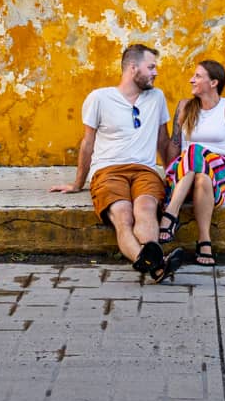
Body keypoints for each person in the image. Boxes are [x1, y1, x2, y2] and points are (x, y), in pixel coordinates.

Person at [49, 43, 186, 281]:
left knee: (145, 209)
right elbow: (87, 144)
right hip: (107, 171)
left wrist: (174, 178)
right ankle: (157, 265)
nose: (155, 72)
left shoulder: (156, 97)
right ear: (133, 68)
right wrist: (77, 183)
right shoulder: (99, 98)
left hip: (145, 170)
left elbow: (163, 141)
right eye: (151, 67)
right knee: (123, 216)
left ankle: (155, 264)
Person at [158, 59, 225, 268]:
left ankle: (170, 214)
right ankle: (204, 241)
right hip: (186, 172)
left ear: (213, 82)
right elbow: (175, 144)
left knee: (196, 154)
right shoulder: (185, 107)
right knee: (199, 172)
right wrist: (171, 174)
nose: (191, 79)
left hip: (219, 167)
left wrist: (224, 173)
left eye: (197, 76)